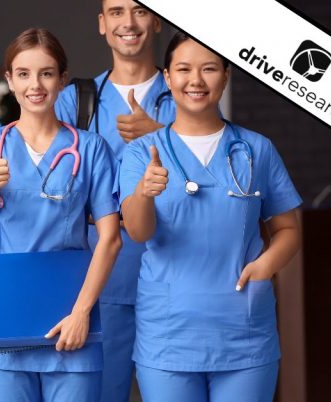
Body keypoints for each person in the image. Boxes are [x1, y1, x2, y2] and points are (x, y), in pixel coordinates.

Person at [118, 32, 302, 402]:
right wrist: (143, 193)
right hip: (169, 334)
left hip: (243, 332)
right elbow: (138, 233)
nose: (196, 80)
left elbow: (287, 230)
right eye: (183, 69)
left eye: (209, 69)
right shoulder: (141, 153)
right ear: (168, 78)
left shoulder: (256, 149)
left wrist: (266, 265)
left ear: (226, 74)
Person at [0, 28, 122, 401]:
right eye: (24, 73)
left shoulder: (90, 149)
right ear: (9, 80)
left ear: (61, 79)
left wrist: (81, 313)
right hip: (2, 314)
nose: (35, 84)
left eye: (46, 73)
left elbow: (110, 237)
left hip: (68, 313)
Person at [54, 1, 174, 399]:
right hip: (101, 275)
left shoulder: (185, 92)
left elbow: (210, 173)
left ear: (156, 21)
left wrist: (159, 134)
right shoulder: (78, 101)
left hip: (175, 271)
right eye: (117, 11)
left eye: (140, 11)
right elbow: (33, 164)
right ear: (102, 24)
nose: (128, 22)